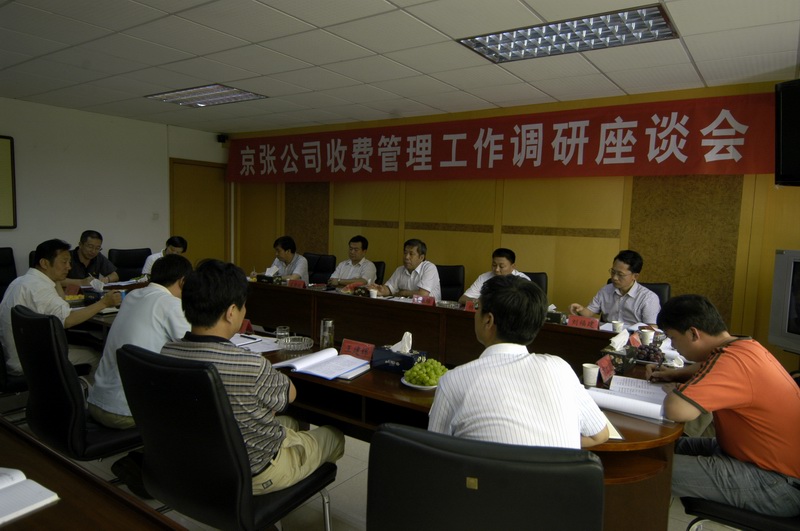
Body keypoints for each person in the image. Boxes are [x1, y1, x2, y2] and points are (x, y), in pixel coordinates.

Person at [160, 259, 344, 493]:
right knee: (334, 436)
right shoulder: (250, 364)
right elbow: (290, 395)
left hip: (198, 462)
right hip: (255, 473)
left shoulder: (168, 351)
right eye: (243, 306)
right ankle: (284, 493)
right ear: (231, 312)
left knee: (291, 423)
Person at [646, 294, 800, 517]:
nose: (673, 346)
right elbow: (707, 367)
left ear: (694, 333)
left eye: (673, 338)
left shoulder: (733, 361)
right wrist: (674, 374)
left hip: (776, 482)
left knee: (647, 471)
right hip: (748, 456)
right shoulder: (744, 346)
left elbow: (676, 409)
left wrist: (676, 389)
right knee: (656, 449)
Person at [429, 275, 609, 448]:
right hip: (562, 470)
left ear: (488, 320)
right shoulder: (561, 369)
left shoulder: (453, 381)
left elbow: (437, 450)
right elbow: (599, 435)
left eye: (478, 308)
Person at [88, 254, 193, 429]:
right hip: (126, 412)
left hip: (96, 402)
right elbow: (197, 348)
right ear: (183, 281)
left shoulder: (132, 295)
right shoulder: (171, 304)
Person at [0, 239, 121, 378]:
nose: (69, 267)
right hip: (28, 360)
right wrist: (103, 303)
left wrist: (56, 278)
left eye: (69, 262)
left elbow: (62, 303)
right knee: (98, 356)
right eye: (64, 262)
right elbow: (67, 320)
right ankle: (82, 392)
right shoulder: (39, 288)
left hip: (16, 354)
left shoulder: (21, 281)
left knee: (87, 347)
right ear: (44, 263)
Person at [569, 249, 660, 326]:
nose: (615, 278)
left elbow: (652, 328)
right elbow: (589, 312)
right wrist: (580, 310)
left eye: (620, 274)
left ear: (635, 276)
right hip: (606, 335)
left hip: (632, 338)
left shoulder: (648, 298)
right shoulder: (605, 290)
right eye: (613, 272)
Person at [370, 239, 441, 301]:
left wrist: (403, 293)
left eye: (411, 254)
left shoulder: (429, 268)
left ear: (421, 257)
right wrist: (382, 290)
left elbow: (423, 295)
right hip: (406, 308)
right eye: (405, 253)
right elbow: (390, 288)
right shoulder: (400, 270)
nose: (406, 257)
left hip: (429, 309)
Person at [459, 248, 530, 305]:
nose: (496, 269)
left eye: (501, 266)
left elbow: (526, 305)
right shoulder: (484, 277)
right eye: (494, 265)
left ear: (513, 266)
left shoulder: (522, 280)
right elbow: (462, 299)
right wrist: (478, 302)